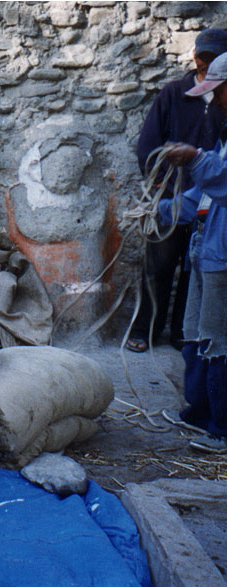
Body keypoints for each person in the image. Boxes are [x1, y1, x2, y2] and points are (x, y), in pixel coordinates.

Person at [127, 28, 226, 353]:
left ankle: (184, 335)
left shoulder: (220, 101)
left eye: (213, 57)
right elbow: (148, 144)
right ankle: (144, 331)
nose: (204, 62)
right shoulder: (174, 93)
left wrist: (198, 162)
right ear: (195, 56)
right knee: (158, 266)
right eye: (203, 55)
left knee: (196, 268)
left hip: (212, 201)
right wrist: (158, 189)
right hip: (175, 193)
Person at [161, 52, 226, 454]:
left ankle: (221, 427)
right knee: (197, 334)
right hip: (209, 250)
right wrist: (161, 210)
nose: (213, 102)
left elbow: (220, 180)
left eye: (218, 93)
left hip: (224, 257)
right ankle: (199, 411)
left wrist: (197, 159)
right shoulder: (223, 140)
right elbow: (204, 196)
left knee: (220, 342)